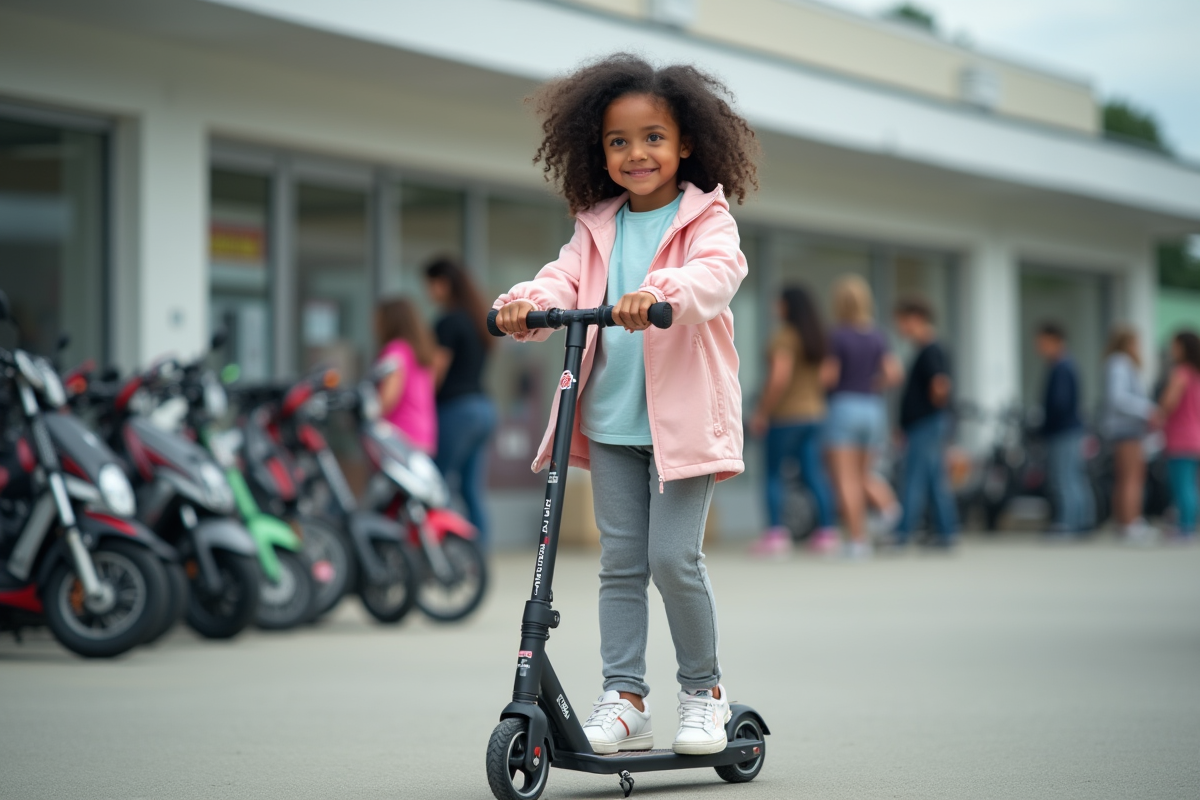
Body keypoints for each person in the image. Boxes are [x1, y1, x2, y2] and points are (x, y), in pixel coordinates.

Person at [492, 53, 758, 757]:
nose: (636, 153)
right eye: (618, 141)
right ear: (598, 149)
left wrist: (661, 292)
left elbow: (716, 277)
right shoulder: (596, 225)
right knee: (619, 562)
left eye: (652, 137)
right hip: (611, 421)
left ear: (686, 143)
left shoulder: (708, 218)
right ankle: (626, 697)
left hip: (684, 426)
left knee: (673, 559)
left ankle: (703, 691)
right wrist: (525, 304)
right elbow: (560, 280)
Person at [749, 285, 838, 556]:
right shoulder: (817, 337)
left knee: (773, 474)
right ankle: (827, 533)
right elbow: (829, 377)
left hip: (786, 416)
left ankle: (776, 535)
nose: (775, 306)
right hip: (814, 414)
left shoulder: (784, 337)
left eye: (779, 302)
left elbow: (779, 378)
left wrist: (762, 412)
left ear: (788, 306)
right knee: (813, 475)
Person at [824, 275, 903, 559]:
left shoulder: (837, 336)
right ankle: (890, 508)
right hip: (872, 408)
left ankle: (858, 541)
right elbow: (894, 374)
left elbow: (829, 377)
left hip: (844, 406)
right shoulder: (878, 335)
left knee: (846, 479)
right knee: (864, 474)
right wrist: (871, 383)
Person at [424, 257, 497, 547]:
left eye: (430, 284)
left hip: (457, 410)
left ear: (443, 284)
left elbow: (437, 371)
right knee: (470, 489)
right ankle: (478, 555)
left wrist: (420, 404)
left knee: (434, 483)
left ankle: (433, 551)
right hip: (483, 409)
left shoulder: (448, 322)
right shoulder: (477, 319)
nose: (429, 292)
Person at [892, 296, 958, 548]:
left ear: (916, 319)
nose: (900, 329)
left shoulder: (930, 349)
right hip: (928, 422)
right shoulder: (929, 349)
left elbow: (940, 385)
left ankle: (902, 534)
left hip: (927, 424)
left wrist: (929, 412)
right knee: (932, 479)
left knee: (914, 479)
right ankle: (945, 532)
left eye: (902, 322)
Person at [1099, 325, 1156, 543]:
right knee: (1133, 478)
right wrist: (1147, 409)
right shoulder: (1121, 363)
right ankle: (1131, 523)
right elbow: (1119, 398)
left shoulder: (1116, 363)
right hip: (1128, 429)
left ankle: (1124, 522)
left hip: (1123, 429)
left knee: (1124, 478)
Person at [1035, 321, 1092, 536]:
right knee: (1074, 477)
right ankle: (1081, 521)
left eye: (1042, 342)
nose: (1039, 347)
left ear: (1055, 341)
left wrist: (1046, 423)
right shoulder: (1066, 365)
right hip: (1069, 429)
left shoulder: (1062, 367)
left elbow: (1060, 403)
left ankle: (1068, 524)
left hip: (1063, 431)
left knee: (1064, 478)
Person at [374, 296, 438, 455]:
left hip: (400, 434)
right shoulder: (421, 352)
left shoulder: (395, 349)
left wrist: (369, 413)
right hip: (424, 434)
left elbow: (389, 396)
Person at [1156, 329, 1200, 540]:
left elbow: (1169, 402)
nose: (1171, 350)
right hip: (1195, 435)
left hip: (1180, 438)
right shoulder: (1195, 374)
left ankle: (1186, 527)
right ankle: (1189, 525)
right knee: (1191, 485)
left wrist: (1158, 413)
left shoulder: (1181, 373)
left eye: (1174, 345)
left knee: (1182, 485)